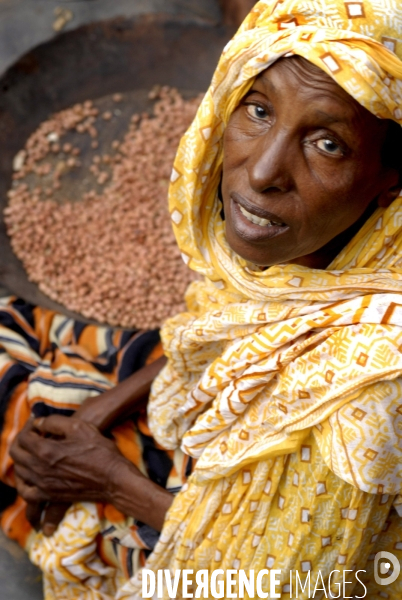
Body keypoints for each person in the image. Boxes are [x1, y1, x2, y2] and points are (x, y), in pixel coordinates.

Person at [3, 0, 402, 598]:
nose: (264, 171)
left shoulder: (365, 401)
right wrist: (96, 412)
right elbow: (235, 331)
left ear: (388, 177)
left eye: (326, 144)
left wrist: (108, 480)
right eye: (259, 109)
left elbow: (283, 579)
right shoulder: (317, 253)